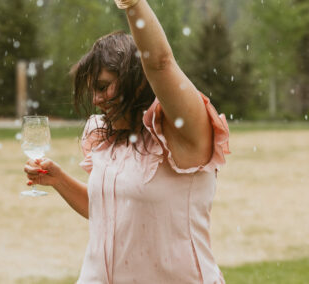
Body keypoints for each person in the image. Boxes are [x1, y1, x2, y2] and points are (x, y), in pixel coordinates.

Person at [24, 0, 230, 283]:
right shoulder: (105, 137)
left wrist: (132, 3)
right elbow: (107, 211)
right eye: (92, 91)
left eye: (103, 86)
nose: (95, 100)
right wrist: (59, 180)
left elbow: (160, 64)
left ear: (138, 81)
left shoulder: (183, 135)